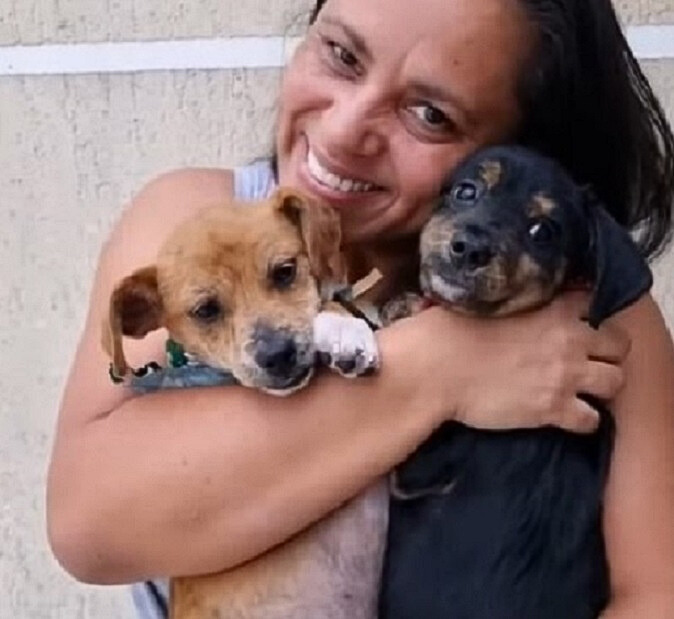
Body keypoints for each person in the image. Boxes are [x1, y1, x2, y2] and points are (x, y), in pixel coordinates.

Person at [47, 0, 674, 616]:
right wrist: (440, 369)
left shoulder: (587, 306)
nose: (346, 130)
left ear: (516, 149)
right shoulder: (199, 233)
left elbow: (658, 594)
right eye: (342, 55)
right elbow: (89, 526)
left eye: (430, 113)